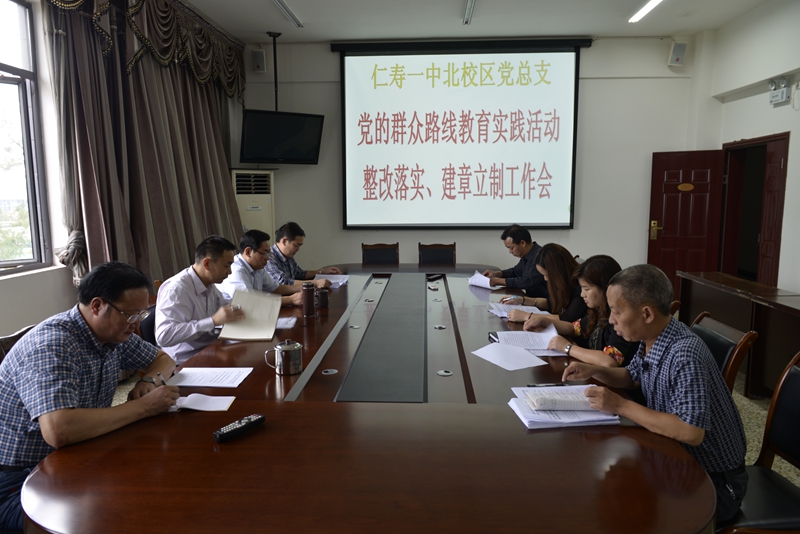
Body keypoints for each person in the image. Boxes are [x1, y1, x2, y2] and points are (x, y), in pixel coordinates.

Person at [0, 262, 179, 531]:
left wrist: (148, 381)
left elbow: (164, 359)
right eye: (130, 314)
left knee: (160, 482)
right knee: (114, 517)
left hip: (76, 456)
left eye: (141, 314)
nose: (136, 324)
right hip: (20, 480)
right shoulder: (53, 345)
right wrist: (143, 407)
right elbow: (59, 430)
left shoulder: (113, 333)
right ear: (97, 306)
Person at [562, 264, 747, 523]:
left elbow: (690, 432)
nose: (611, 319)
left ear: (647, 313)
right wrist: (594, 370)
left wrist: (620, 406)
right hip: (674, 457)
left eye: (616, 311)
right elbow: (632, 377)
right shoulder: (654, 337)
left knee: (623, 507)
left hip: (713, 481)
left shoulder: (684, 353)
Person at [523, 255, 639, 367]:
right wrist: (544, 321)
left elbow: (609, 361)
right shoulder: (598, 310)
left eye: (586, 289)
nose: (582, 294)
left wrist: (567, 347)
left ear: (606, 287)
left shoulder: (620, 318)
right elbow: (574, 328)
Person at [155, 235, 245, 364]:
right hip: (186, 360)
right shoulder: (177, 289)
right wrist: (213, 321)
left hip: (210, 349)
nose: (230, 272)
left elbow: (225, 307)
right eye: (226, 266)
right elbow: (164, 336)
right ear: (207, 264)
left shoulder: (209, 284)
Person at [507, 243, 587, 323]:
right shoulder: (562, 280)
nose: (545, 279)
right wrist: (522, 300)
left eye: (547, 275)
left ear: (558, 271)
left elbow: (568, 317)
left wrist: (527, 316)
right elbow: (551, 302)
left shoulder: (580, 284)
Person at [265, 222, 341, 288]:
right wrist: (315, 283)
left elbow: (299, 274)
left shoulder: (288, 255)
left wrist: (321, 271)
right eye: (296, 245)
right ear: (284, 241)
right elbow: (283, 282)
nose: (298, 249)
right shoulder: (269, 258)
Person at [482, 224, 548, 297]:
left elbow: (526, 281)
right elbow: (515, 272)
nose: (510, 251)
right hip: (532, 299)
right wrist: (496, 274)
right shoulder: (527, 255)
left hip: (544, 301)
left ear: (522, 243)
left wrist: (496, 281)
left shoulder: (540, 256)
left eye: (511, 248)